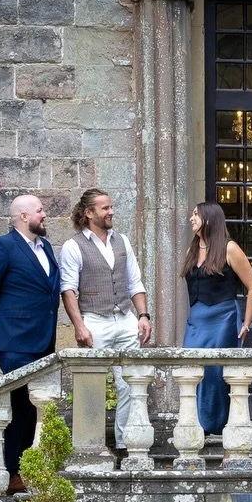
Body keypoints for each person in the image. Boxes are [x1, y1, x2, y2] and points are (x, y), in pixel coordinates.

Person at [0, 194, 61, 492]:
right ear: (23, 216)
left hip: (43, 337)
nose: (44, 215)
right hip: (13, 339)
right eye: (40, 211)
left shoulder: (45, 247)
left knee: (33, 404)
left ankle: (25, 468)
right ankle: (14, 471)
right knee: (22, 402)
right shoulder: (3, 246)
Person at [59, 188, 152, 453]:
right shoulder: (73, 246)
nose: (111, 212)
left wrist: (143, 316)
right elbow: (68, 290)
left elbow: (135, 282)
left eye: (111, 207)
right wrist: (79, 326)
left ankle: (125, 443)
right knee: (92, 384)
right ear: (88, 213)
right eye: (105, 208)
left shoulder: (122, 240)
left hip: (125, 319)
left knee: (131, 383)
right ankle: (91, 445)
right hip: (94, 321)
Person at [180, 202, 252, 435]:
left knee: (216, 373)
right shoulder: (192, 249)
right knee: (192, 371)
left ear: (209, 218)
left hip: (222, 317)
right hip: (196, 320)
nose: (191, 218)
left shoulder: (229, 248)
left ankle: (221, 427)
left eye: (196, 214)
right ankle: (197, 427)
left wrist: (246, 323)